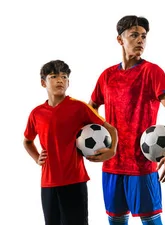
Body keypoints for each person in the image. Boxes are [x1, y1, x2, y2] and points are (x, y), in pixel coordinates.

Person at [88, 15, 165, 225]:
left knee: (150, 221)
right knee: (116, 221)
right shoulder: (107, 76)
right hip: (112, 164)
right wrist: (95, 143)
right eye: (134, 35)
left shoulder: (151, 72)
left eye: (143, 36)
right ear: (120, 40)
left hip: (141, 163)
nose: (140, 40)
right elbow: (90, 109)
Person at [23, 60, 118, 225]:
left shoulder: (79, 107)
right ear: (43, 82)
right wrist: (37, 157)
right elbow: (27, 141)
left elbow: (111, 129)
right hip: (48, 183)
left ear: (68, 82)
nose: (60, 80)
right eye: (54, 76)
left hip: (75, 181)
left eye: (64, 77)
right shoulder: (36, 114)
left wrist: (112, 150)